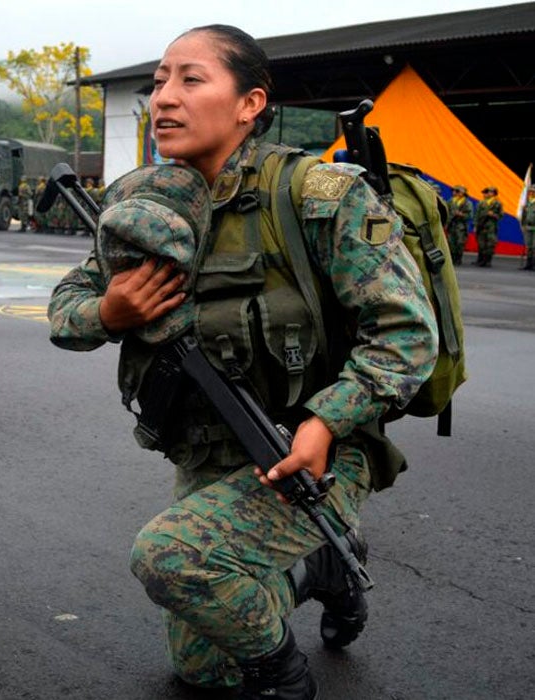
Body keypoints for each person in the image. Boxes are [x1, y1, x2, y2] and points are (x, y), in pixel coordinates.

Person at [47, 25, 437, 699]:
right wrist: (107, 313)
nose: (165, 98)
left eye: (191, 80)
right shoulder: (142, 198)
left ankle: (284, 677)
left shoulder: (316, 197)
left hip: (314, 450)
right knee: (200, 668)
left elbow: (407, 335)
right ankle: (320, 571)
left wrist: (322, 424)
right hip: (208, 455)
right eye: (160, 80)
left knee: (168, 558)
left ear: (250, 103)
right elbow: (67, 308)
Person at [473, 186, 502, 267]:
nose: (487, 193)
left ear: (493, 193)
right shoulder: (481, 203)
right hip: (481, 226)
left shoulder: (497, 203)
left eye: (489, 192)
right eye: (487, 192)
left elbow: (501, 215)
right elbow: (477, 215)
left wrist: (494, 215)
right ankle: (481, 260)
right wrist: (475, 225)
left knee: (490, 244)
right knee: (481, 244)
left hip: (491, 227)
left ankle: (488, 261)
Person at [446, 184, 473, 266]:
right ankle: (452, 259)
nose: (455, 192)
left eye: (457, 191)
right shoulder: (450, 201)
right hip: (451, 225)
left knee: (459, 243)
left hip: (461, 226)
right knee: (451, 243)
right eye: (454, 191)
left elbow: (470, 215)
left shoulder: (467, 203)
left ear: (463, 193)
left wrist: (462, 214)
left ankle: (458, 259)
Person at [521, 183, 535, 270]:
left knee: (534, 247)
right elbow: (524, 216)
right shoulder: (528, 203)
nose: (532, 193)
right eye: (531, 191)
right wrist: (523, 224)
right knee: (529, 246)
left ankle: (533, 264)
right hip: (528, 227)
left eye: (533, 192)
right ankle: (528, 264)